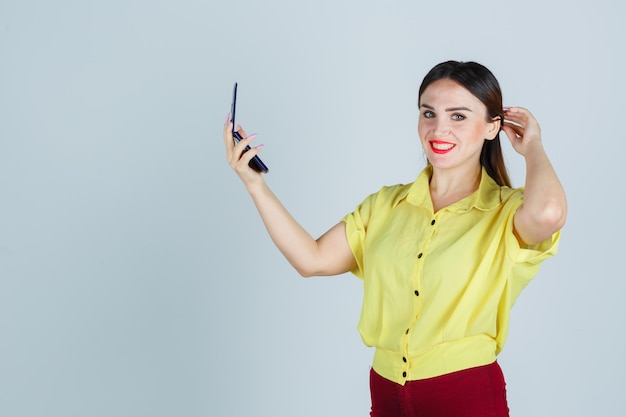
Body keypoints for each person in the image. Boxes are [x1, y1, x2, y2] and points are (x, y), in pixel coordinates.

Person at [222, 60, 567, 417]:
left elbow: (548, 214)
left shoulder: (506, 212)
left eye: (459, 116)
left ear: (492, 127)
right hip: (387, 393)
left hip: (464, 393)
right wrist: (254, 184)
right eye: (428, 113)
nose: (439, 129)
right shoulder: (386, 205)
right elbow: (312, 260)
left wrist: (533, 146)